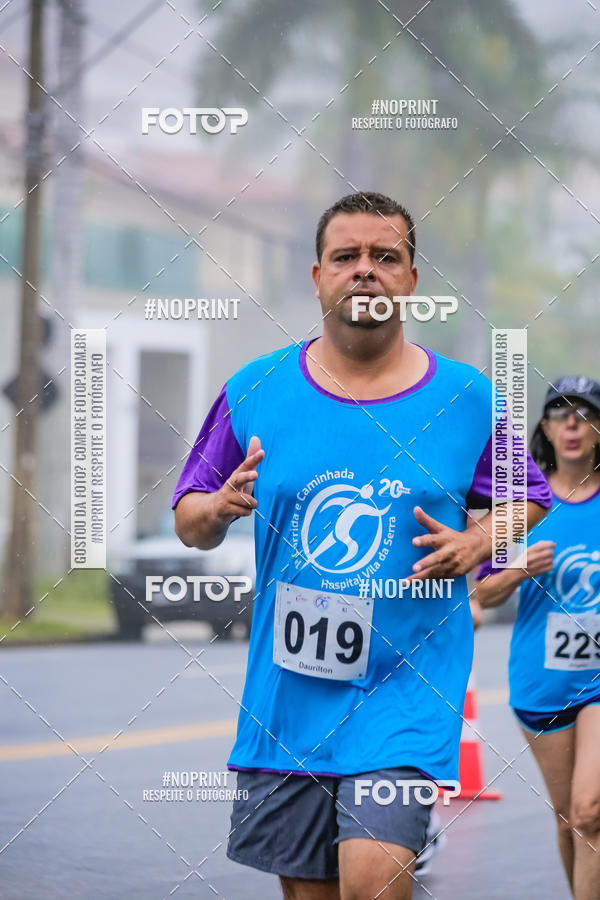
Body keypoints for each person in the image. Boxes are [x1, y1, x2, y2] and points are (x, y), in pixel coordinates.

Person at [172, 191, 551, 900]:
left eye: (386, 257)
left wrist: (478, 540)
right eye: (346, 257)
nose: (365, 271)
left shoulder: (467, 398)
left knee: (375, 886)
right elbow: (188, 520)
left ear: (411, 279)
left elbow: (527, 494)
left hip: (403, 695)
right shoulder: (254, 388)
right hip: (287, 700)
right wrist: (220, 506)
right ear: (318, 275)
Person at [474, 376, 600, 900]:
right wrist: (518, 567)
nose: (571, 424)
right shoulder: (524, 503)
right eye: (558, 413)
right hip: (540, 680)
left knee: (591, 810)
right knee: (570, 817)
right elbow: (485, 595)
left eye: (583, 413)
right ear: (545, 428)